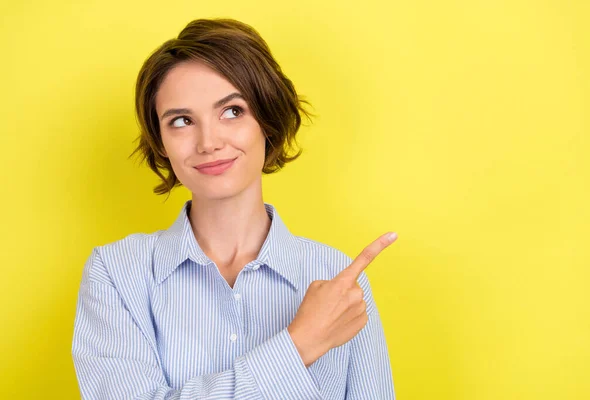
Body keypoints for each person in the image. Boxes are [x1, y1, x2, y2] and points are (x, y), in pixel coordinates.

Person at [72, 18, 397, 399]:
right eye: (181, 121)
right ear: (160, 141)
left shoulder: (338, 281)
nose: (208, 141)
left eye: (232, 111)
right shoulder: (115, 274)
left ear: (267, 120)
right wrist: (298, 346)